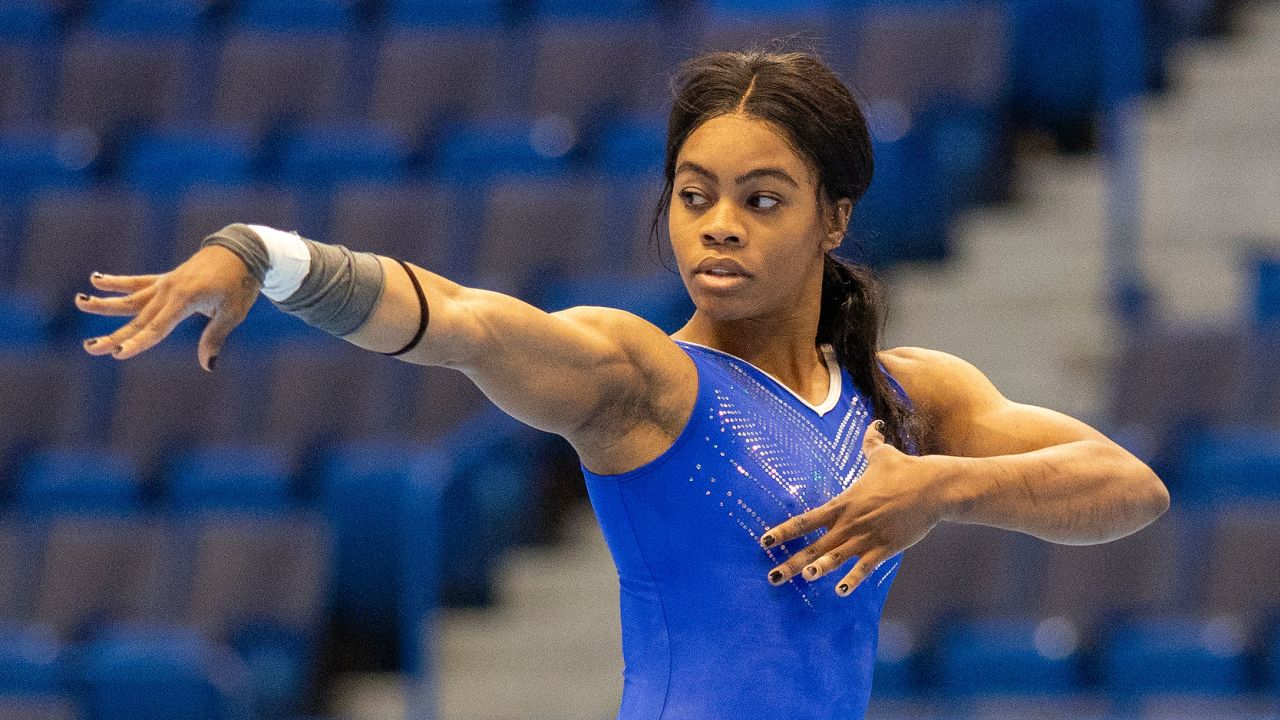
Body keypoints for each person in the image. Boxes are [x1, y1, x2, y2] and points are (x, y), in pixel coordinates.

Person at [76, 50, 1169, 719]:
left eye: (761, 198)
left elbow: (1126, 489)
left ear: (834, 217)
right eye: (695, 195)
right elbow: (456, 321)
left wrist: (943, 488)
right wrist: (263, 254)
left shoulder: (904, 400)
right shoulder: (641, 379)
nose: (719, 226)